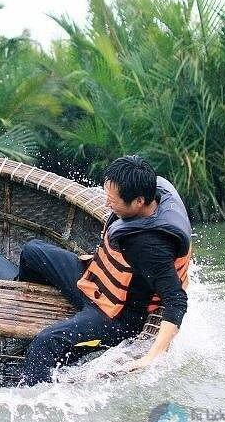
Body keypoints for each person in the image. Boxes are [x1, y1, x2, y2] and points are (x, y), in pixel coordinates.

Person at [18, 155, 192, 385]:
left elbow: (176, 300)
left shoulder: (149, 245)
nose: (107, 203)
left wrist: (152, 356)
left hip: (117, 315)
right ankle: (24, 309)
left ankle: (29, 396)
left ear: (138, 201)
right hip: (96, 283)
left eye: (112, 200)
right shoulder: (154, 193)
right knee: (32, 251)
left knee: (45, 342)